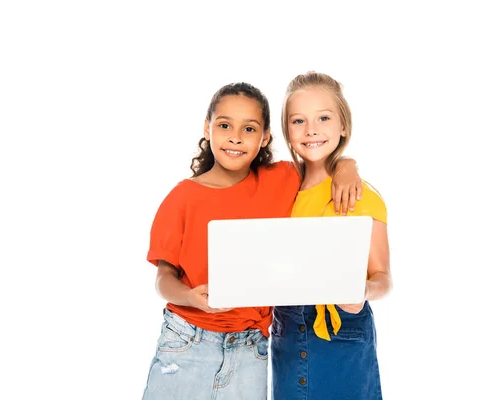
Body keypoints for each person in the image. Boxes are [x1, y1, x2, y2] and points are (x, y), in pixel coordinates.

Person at [142, 82, 362, 400]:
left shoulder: (283, 178)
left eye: (249, 128)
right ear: (207, 128)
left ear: (266, 137)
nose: (235, 137)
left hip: (251, 347)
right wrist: (191, 297)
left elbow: (320, 163)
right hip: (187, 339)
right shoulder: (182, 198)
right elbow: (163, 279)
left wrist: (347, 166)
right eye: (224, 125)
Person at [270, 71, 392, 400]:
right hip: (288, 329)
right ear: (287, 130)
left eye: (324, 117)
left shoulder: (361, 195)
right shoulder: (278, 190)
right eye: (298, 121)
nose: (311, 130)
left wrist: (362, 290)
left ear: (343, 126)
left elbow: (383, 277)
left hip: (345, 329)